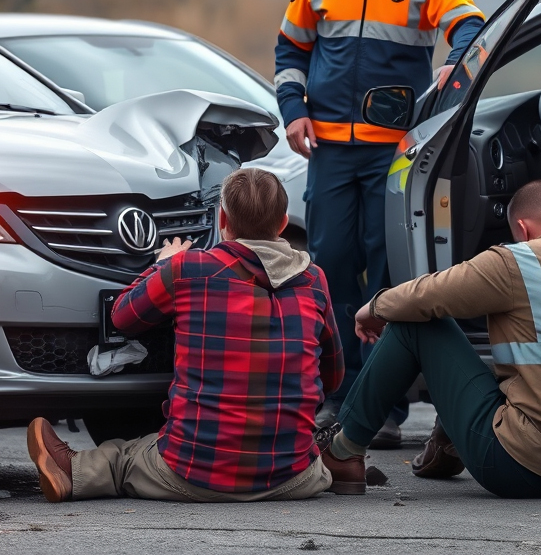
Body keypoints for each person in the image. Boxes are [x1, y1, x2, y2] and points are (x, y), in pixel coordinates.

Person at [274, 0, 488, 447]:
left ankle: (385, 407)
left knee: (389, 278)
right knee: (330, 269)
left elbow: (470, 24)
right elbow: (291, 48)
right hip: (330, 152)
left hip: (394, 155)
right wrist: (292, 109)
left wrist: (456, 58)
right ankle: (339, 400)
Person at [26, 168, 345, 503]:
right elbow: (333, 377)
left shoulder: (189, 269)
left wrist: (163, 263)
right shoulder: (314, 280)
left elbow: (122, 316)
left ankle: (73, 472)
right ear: (282, 223)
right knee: (310, 458)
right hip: (294, 477)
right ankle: (341, 466)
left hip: (197, 473)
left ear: (223, 219)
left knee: (126, 456)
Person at [319, 180, 541, 498]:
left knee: (416, 324)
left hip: (522, 466)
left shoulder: (518, 261)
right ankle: (446, 442)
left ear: (523, 230)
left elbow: (426, 294)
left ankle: (342, 451)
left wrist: (374, 308)